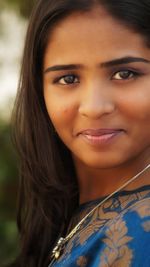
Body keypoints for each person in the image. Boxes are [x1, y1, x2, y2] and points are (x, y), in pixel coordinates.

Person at [12, 0, 150, 266]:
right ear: (40, 91)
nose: (94, 107)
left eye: (125, 73)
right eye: (68, 79)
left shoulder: (142, 232)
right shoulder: (62, 214)